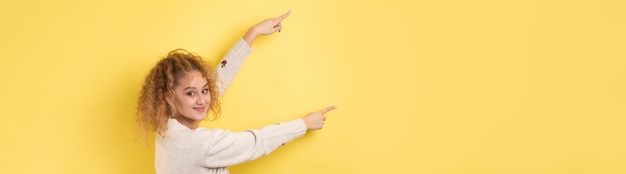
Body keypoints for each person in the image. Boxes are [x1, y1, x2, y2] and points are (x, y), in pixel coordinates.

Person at [136, 11, 337, 174]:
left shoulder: (168, 131)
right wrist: (304, 124)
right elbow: (256, 142)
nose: (202, 100)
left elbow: (216, 82)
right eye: (190, 93)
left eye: (204, 91)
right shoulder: (199, 144)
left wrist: (253, 33)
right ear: (169, 96)